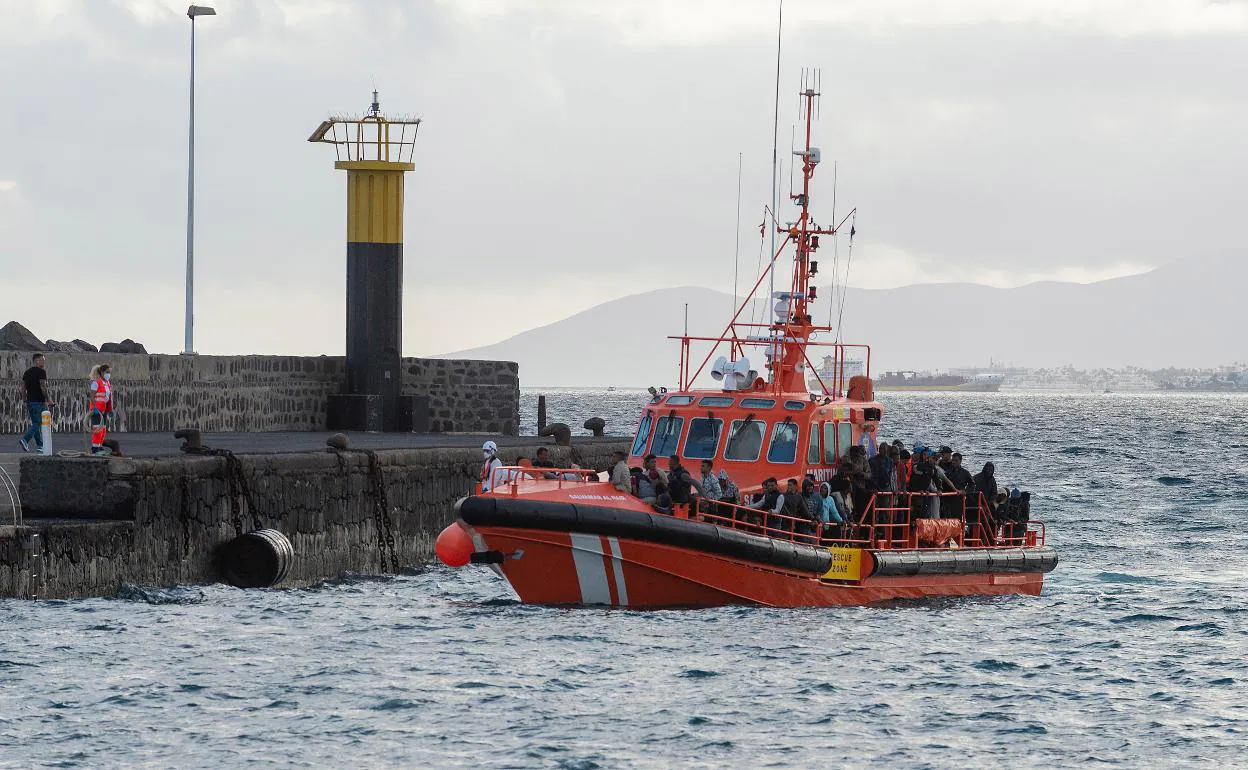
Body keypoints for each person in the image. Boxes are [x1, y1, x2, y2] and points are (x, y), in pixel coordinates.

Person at [19, 353, 55, 453]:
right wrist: (49, 399)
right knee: (38, 423)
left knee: (36, 423)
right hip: (39, 402)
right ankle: (25, 440)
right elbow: (43, 387)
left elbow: (23, 388)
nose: (44, 362)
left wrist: (24, 399)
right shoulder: (41, 372)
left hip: (30, 401)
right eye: (42, 360)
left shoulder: (27, 372)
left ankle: (40, 445)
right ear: (37, 360)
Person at [88, 363, 113, 456]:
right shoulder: (96, 382)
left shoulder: (107, 383)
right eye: (107, 372)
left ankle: (99, 445)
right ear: (102, 372)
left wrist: (110, 409)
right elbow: (92, 395)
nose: (108, 374)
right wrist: (94, 407)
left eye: (109, 372)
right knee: (97, 428)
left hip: (104, 409)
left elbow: (108, 397)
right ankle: (95, 447)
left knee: (103, 428)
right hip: (97, 410)